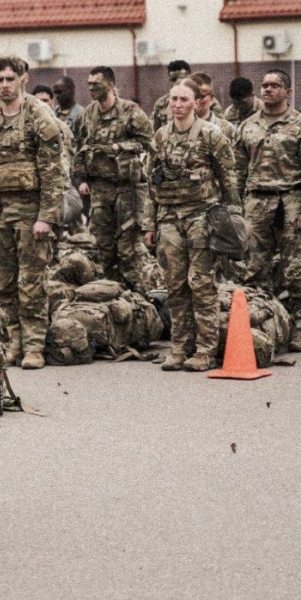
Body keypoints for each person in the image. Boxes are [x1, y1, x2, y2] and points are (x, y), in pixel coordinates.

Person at [0, 55, 67, 369]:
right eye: (0, 80)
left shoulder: (39, 115)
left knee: (32, 281)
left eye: (11, 79)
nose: (5, 86)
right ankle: (15, 339)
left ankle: (35, 344)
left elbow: (53, 171)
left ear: (23, 79)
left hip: (30, 211)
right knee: (4, 282)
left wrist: (46, 217)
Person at [146, 80, 240, 371]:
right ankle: (179, 346)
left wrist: (232, 223)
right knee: (175, 284)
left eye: (183, 99)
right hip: (170, 218)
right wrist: (149, 224)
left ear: (196, 103)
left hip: (202, 217)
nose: (177, 104)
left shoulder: (212, 135)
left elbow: (229, 181)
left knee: (200, 283)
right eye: (173, 98)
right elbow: (151, 184)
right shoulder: (160, 137)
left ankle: (205, 350)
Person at [234, 69, 301, 352]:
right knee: (255, 271)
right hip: (256, 203)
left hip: (292, 203)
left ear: (288, 92)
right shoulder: (247, 126)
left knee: (296, 271)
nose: (267, 90)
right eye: (264, 85)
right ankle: (265, 327)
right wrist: (234, 208)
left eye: (275, 85)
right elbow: (238, 171)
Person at [73, 65, 157, 292]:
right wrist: (81, 179)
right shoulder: (88, 115)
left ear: (110, 85)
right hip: (100, 188)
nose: (91, 89)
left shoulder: (130, 111)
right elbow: (80, 146)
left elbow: (149, 142)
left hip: (127, 188)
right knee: (103, 245)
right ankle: (111, 292)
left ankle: (137, 295)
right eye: (89, 85)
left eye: (96, 85)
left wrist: (121, 146)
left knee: (128, 246)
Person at [152, 59, 191, 131]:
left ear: (189, 78)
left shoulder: (201, 101)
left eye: (181, 79)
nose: (177, 82)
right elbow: (153, 131)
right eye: (174, 79)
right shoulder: (162, 103)